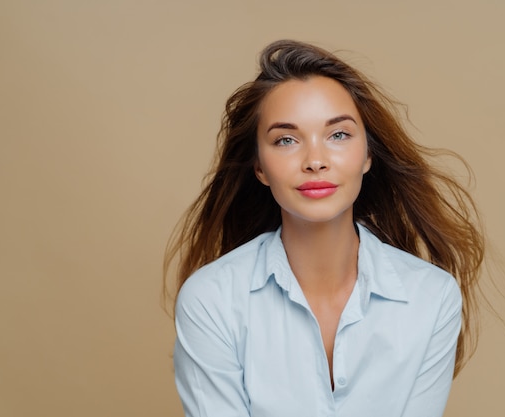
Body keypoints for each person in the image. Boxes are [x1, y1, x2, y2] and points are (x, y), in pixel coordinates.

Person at [164, 39, 484, 417]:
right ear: (260, 167)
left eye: (338, 135)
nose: (315, 160)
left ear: (367, 154)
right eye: (285, 139)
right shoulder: (211, 301)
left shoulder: (431, 298)